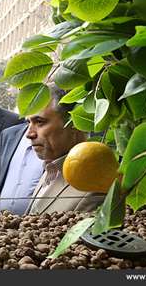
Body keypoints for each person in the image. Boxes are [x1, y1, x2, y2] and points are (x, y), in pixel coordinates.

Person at [24, 86, 104, 215]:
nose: (29, 134)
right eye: (28, 123)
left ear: (74, 123)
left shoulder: (95, 186)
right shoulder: (51, 168)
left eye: (39, 122)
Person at [0, 123, 44, 215]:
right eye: (29, 121)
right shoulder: (8, 134)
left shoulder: (57, 139)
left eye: (39, 121)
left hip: (41, 225)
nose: (29, 134)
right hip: (0, 224)